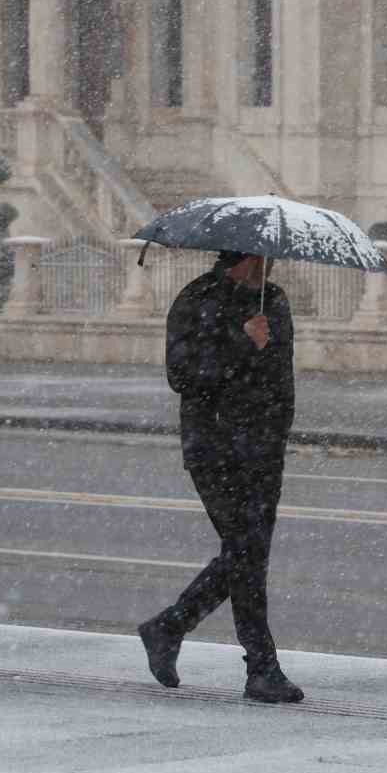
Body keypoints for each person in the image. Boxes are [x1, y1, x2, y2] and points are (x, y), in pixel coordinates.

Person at [138, 250, 304, 703]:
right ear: (246, 255)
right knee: (246, 553)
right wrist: (240, 341)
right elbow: (183, 375)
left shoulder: (275, 300)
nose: (272, 264)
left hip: (263, 449)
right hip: (214, 447)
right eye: (264, 256)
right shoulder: (197, 298)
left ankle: (170, 627)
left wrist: (277, 435)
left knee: (247, 554)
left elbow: (280, 377)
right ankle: (260, 667)